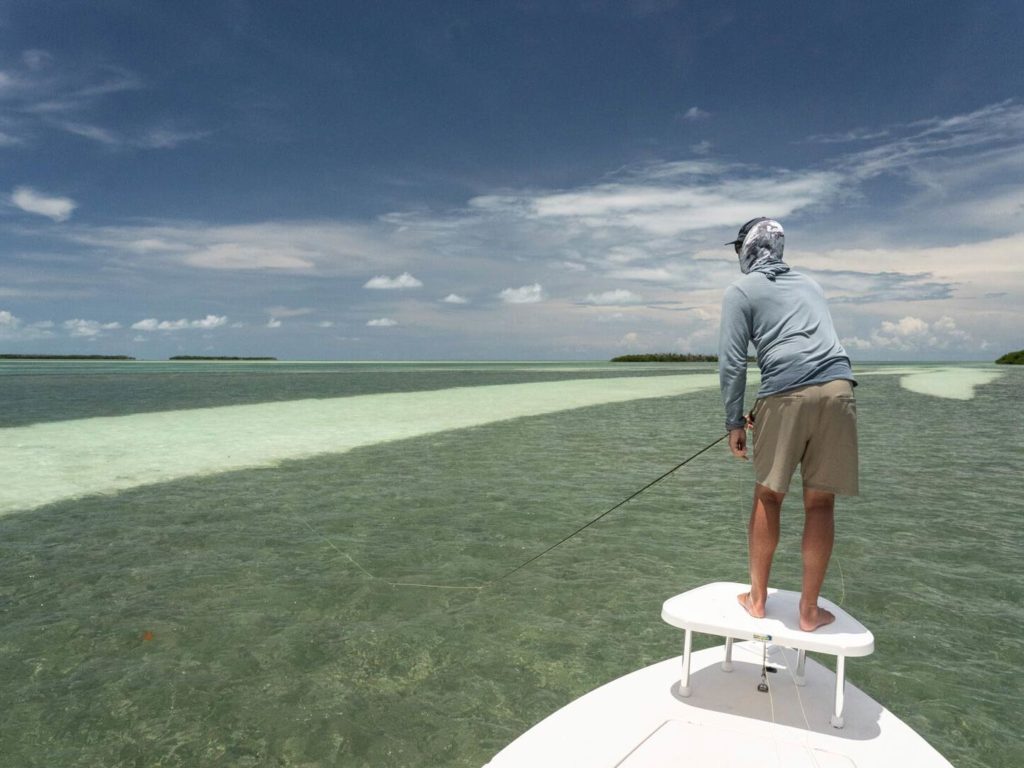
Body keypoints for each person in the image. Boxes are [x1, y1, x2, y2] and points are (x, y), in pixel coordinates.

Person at [718, 217, 858, 632]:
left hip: (784, 391)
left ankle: (758, 600)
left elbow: (731, 363)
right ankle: (809, 612)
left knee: (769, 497)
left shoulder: (740, 291)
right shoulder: (811, 284)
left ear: (748, 248)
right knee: (820, 502)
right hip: (839, 388)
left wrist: (733, 421)